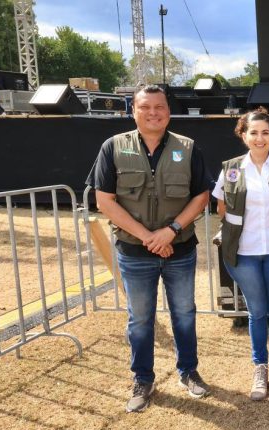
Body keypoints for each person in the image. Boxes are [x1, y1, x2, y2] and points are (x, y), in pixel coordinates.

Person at [87, 84, 212, 413]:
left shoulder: (188, 148)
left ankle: (189, 372)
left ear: (168, 112)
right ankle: (142, 378)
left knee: (184, 314)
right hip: (134, 252)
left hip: (180, 249)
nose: (153, 113)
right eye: (146, 107)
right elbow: (105, 201)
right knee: (140, 319)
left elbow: (201, 196)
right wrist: (149, 237)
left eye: (159, 107)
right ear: (133, 110)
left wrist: (170, 232)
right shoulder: (113, 147)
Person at [212, 109, 269, 401]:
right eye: (253, 132)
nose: (259, 138)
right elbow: (221, 207)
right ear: (243, 135)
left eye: (266, 132)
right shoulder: (231, 168)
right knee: (256, 313)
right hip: (244, 254)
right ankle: (259, 369)